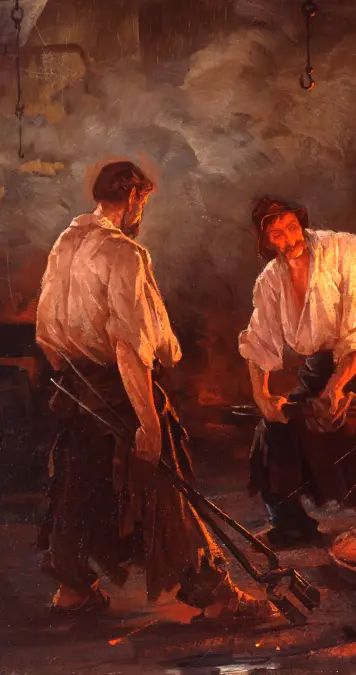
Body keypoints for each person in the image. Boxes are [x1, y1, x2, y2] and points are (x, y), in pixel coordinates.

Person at [35, 160, 276, 621]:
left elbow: (48, 335)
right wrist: (147, 420)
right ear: (132, 198)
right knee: (165, 489)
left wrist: (78, 384)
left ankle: (71, 590)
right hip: (120, 389)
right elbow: (130, 344)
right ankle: (216, 595)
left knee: (79, 485)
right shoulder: (124, 254)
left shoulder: (65, 243)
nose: (142, 208)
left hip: (78, 388)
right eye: (142, 200)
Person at [238, 197, 356, 547]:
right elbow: (258, 341)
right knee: (277, 428)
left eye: (292, 227)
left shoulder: (345, 250)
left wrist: (335, 388)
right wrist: (262, 395)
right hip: (327, 356)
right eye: (277, 234)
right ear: (266, 241)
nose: (290, 239)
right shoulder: (271, 281)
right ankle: (290, 524)